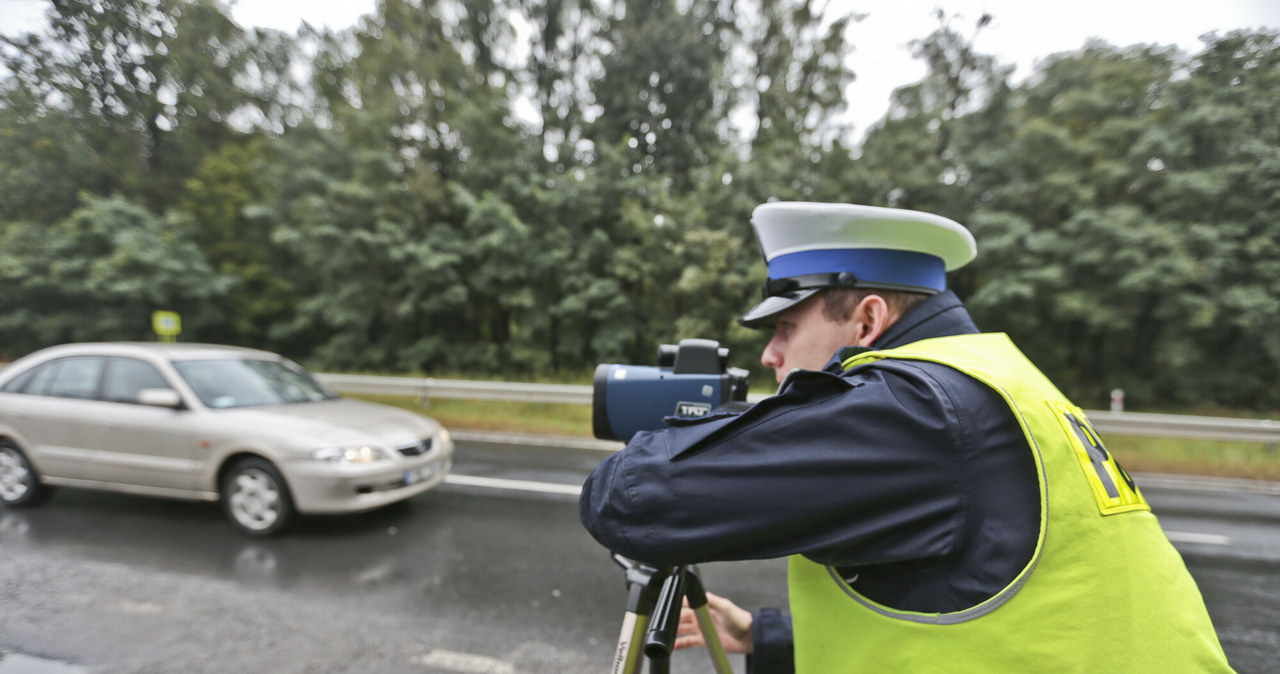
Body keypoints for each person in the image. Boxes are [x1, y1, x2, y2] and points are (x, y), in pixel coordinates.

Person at [579, 202, 1235, 672]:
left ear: (866, 319)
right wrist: (765, 636)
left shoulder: (914, 410)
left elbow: (633, 501)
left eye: (785, 329)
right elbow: (965, 604)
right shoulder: (995, 380)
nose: (771, 356)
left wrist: (699, 424)